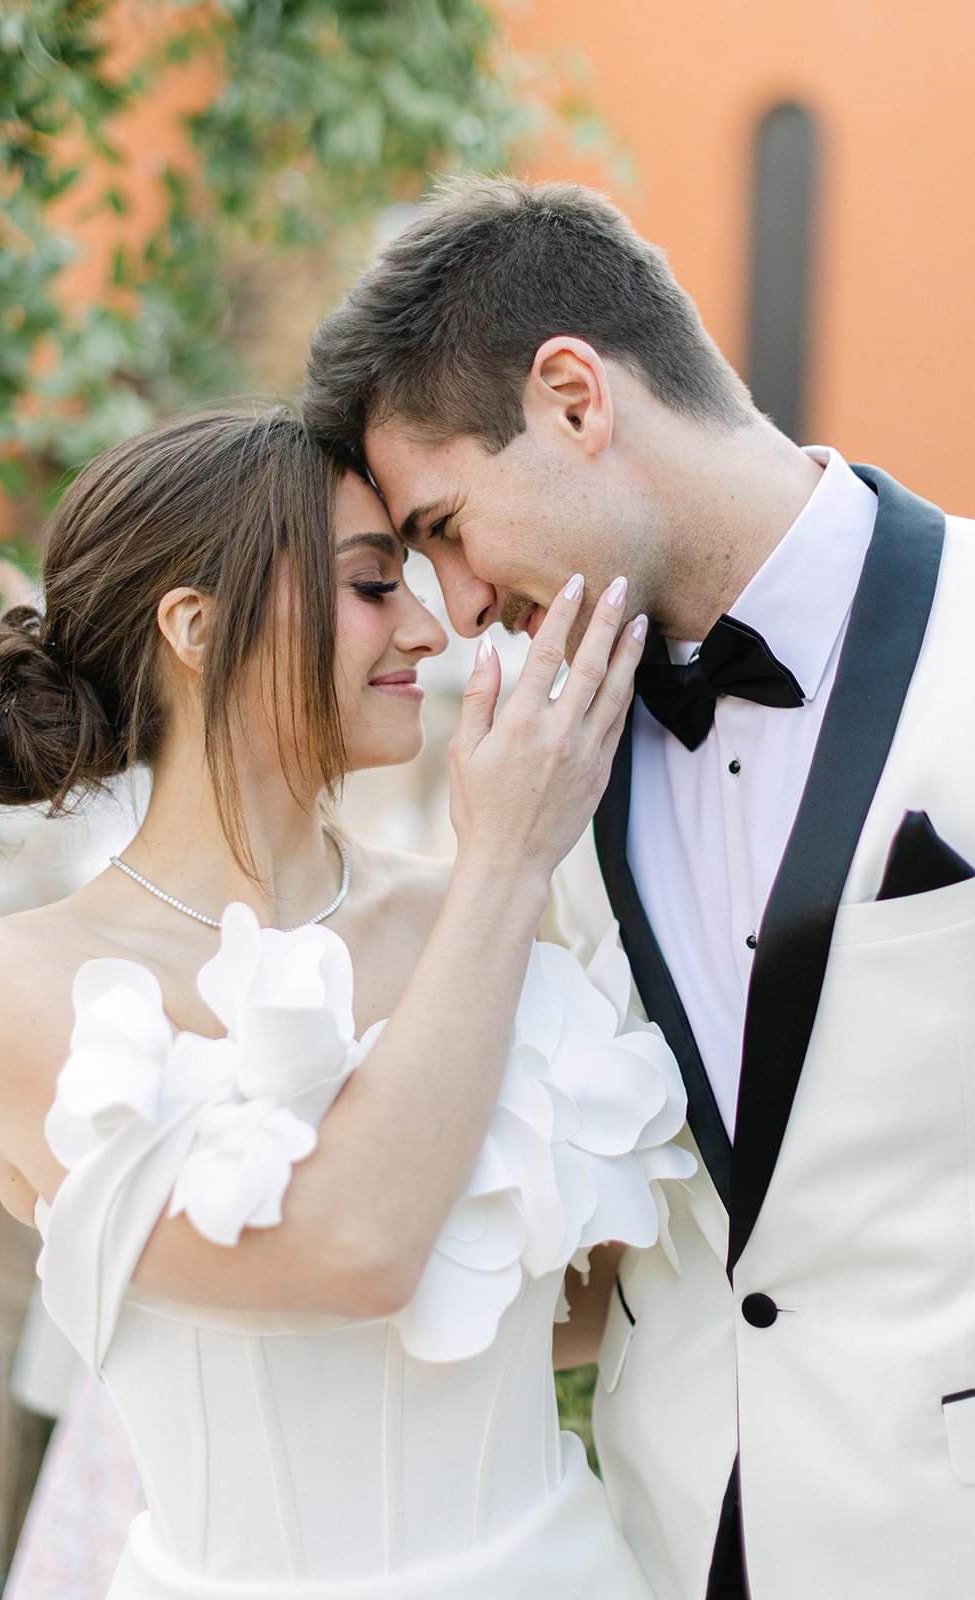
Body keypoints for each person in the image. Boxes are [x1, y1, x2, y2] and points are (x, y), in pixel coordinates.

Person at [303, 176, 975, 1600]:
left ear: (572, 399)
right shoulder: (542, 765)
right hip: (661, 1540)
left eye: (443, 526)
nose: (458, 607)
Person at [0, 407, 691, 1599]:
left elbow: (591, 1293)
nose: (428, 628)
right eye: (373, 584)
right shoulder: (15, 977)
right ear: (195, 626)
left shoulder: (475, 914)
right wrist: (504, 860)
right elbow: (354, 1253)